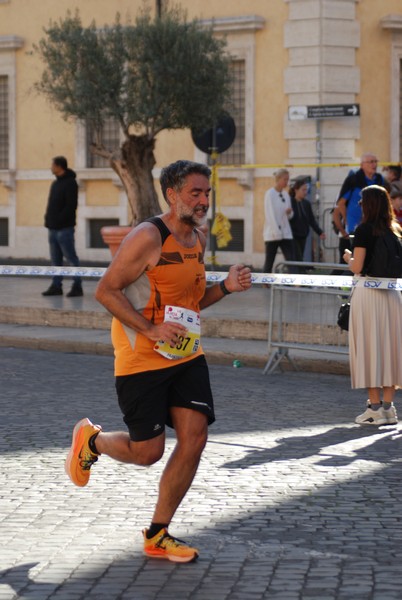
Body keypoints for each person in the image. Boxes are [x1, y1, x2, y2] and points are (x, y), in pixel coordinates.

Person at [65, 160, 252, 563]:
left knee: (195, 438)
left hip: (187, 355)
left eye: (207, 193)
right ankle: (92, 441)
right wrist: (149, 331)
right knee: (147, 452)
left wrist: (226, 288)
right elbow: (106, 291)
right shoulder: (149, 236)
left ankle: (158, 533)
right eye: (195, 193)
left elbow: (191, 304)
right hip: (141, 359)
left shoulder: (198, 239)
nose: (203, 201)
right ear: (172, 195)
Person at [343, 185, 402, 426]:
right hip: (392, 296)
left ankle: (374, 407)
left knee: (368, 349)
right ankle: (389, 408)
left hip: (368, 295)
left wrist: (348, 257)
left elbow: (358, 267)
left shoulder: (364, 230)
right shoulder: (395, 231)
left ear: (368, 205)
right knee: (390, 351)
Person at [42, 156, 83, 297]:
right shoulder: (55, 184)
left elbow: (71, 206)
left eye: (53, 165)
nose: (51, 167)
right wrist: (48, 220)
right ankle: (56, 286)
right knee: (55, 259)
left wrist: (59, 220)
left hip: (64, 229)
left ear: (60, 166)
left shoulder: (71, 183)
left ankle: (77, 286)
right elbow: (52, 204)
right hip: (52, 229)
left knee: (71, 258)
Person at [332, 153, 385, 264]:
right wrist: (346, 221)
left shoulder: (379, 180)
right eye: (370, 162)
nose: (374, 164)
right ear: (362, 165)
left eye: (375, 161)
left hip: (374, 227)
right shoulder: (353, 180)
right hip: (354, 228)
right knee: (350, 264)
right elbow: (341, 203)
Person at [263, 168, 294, 273]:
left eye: (288, 179)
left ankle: (295, 281)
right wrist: (276, 231)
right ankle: (265, 281)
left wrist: (290, 212)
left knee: (291, 258)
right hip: (273, 233)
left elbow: (290, 215)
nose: (287, 182)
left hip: (285, 232)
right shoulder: (269, 194)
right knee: (270, 259)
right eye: (285, 179)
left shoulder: (286, 194)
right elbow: (269, 214)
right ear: (278, 179)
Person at [289, 178, 325, 263]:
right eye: (303, 190)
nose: (305, 192)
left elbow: (311, 220)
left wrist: (320, 232)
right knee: (296, 257)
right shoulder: (290, 202)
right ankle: (299, 272)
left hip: (303, 235)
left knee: (300, 256)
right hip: (293, 235)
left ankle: (298, 272)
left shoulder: (306, 204)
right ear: (296, 190)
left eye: (306, 190)